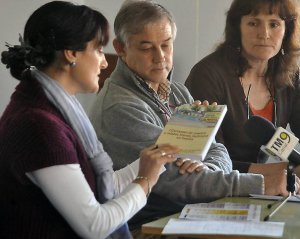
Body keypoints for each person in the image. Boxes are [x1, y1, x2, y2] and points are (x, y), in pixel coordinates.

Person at [89, 0, 299, 230]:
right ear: (120, 49)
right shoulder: (119, 107)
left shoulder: (176, 91)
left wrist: (207, 170)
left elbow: (217, 148)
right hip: (149, 225)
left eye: (166, 45)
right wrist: (260, 184)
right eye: (147, 48)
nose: (160, 57)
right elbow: (177, 182)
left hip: (194, 211)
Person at [0, 1, 182, 239]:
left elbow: (97, 184)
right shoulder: (38, 125)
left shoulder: (52, 108)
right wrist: (144, 181)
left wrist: (149, 162)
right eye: (98, 50)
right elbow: (95, 227)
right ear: (71, 54)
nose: (105, 62)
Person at [185, 0, 300, 173]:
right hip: (213, 189)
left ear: (287, 30)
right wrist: (273, 173)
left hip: (262, 191)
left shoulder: (291, 75)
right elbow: (203, 161)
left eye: (274, 24)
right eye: (253, 23)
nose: (264, 33)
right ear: (237, 28)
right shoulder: (207, 75)